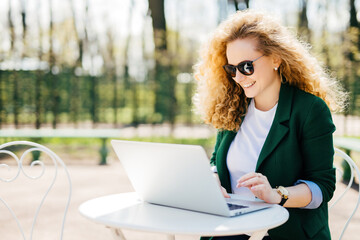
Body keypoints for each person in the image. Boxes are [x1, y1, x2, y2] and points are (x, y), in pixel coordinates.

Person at [193, 9, 347, 240]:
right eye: (231, 69)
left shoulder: (309, 110)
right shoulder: (231, 106)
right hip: (232, 228)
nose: (238, 77)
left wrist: (278, 194)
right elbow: (217, 160)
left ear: (276, 58)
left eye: (246, 66)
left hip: (287, 232)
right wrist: (212, 177)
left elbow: (322, 187)